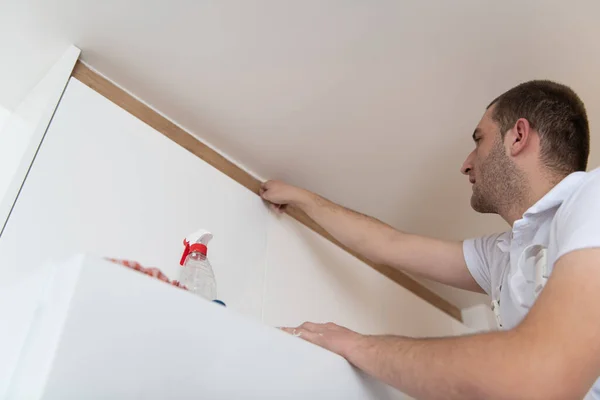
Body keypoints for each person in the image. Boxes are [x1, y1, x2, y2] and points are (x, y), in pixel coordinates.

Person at [260, 80, 600, 399]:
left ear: (518, 137)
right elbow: (389, 245)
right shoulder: (504, 256)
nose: (466, 165)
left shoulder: (592, 195)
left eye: (479, 140)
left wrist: (356, 346)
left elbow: (541, 374)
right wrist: (303, 199)